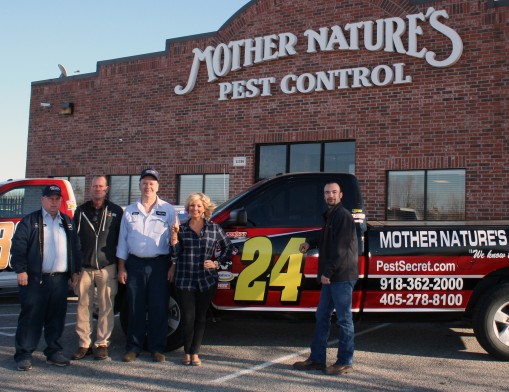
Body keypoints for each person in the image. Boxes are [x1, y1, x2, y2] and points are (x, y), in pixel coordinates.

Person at [10, 184, 82, 371]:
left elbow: (75, 247)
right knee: (31, 317)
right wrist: (21, 270)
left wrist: (75, 271)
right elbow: (18, 247)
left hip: (59, 280)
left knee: (56, 318)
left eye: (57, 199)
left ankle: (53, 352)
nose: (54, 201)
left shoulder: (66, 221)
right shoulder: (30, 221)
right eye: (50, 198)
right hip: (35, 279)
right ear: (42, 200)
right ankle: (24, 354)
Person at [293, 182, 358, 375]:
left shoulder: (343, 216)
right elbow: (324, 238)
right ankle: (317, 359)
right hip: (331, 277)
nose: (330, 195)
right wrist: (308, 243)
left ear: (341, 195)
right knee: (322, 316)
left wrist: (327, 273)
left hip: (341, 276)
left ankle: (345, 361)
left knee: (344, 320)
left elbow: (340, 249)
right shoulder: (331, 216)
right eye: (327, 192)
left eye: (334, 192)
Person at [116, 168, 176, 362]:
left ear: (158, 186)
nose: (148, 186)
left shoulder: (168, 210)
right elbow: (122, 241)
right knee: (135, 306)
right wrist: (121, 267)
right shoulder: (130, 210)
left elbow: (174, 241)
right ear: (140, 185)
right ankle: (133, 347)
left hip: (160, 265)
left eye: (152, 183)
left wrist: (173, 265)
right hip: (134, 264)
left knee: (159, 306)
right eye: (145, 182)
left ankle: (157, 348)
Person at [169, 192, 233, 366]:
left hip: (206, 280)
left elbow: (229, 248)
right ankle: (187, 352)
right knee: (188, 317)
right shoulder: (181, 229)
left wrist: (216, 263)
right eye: (192, 205)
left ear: (204, 208)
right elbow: (174, 254)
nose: (195, 209)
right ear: (187, 208)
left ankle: (195, 352)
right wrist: (174, 238)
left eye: (198, 206)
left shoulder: (214, 228)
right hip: (184, 279)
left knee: (200, 317)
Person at [71, 175, 123, 361]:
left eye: (101, 186)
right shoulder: (80, 211)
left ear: (106, 189)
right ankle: (84, 343)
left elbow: (121, 241)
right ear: (90, 188)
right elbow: (73, 242)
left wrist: (120, 266)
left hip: (107, 266)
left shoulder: (116, 211)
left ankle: (102, 344)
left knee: (106, 306)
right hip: (84, 268)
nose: (97, 189)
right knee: (82, 306)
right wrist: (74, 269)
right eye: (94, 186)